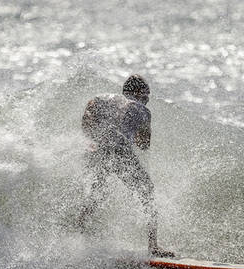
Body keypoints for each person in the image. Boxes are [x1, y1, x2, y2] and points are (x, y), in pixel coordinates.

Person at [75, 74, 174, 256]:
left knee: (98, 191)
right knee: (148, 191)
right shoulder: (142, 110)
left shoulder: (99, 98)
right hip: (119, 151)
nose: (147, 99)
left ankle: (76, 232)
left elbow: (86, 119)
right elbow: (144, 145)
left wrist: (94, 139)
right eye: (146, 95)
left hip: (95, 149)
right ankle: (153, 246)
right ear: (139, 93)